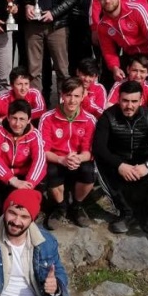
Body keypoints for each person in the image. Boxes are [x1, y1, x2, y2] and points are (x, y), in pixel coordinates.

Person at [93, 80, 148, 234]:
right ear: (118, 99)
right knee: (100, 161)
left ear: (141, 100)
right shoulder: (108, 116)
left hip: (143, 163)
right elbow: (99, 147)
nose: (129, 106)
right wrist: (120, 165)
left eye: (134, 101)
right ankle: (125, 212)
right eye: (125, 101)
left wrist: (147, 165)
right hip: (119, 164)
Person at [38, 77, 97, 229]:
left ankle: (77, 206)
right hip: (57, 159)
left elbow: (89, 151)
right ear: (62, 95)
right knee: (50, 171)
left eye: (76, 96)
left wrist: (78, 158)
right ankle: (61, 207)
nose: (72, 100)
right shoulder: (47, 118)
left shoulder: (89, 120)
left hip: (78, 160)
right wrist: (61, 159)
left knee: (89, 171)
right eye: (68, 95)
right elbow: (43, 150)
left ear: (83, 96)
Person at [0, 99, 47, 212]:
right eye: (14, 118)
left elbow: (40, 160)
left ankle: (31, 211)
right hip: (5, 174)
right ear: (8, 117)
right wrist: (11, 179)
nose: (17, 124)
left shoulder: (35, 134)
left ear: (29, 120)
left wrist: (30, 183)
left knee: (42, 177)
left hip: (24, 175)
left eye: (22, 119)